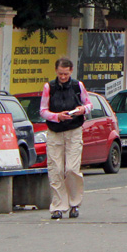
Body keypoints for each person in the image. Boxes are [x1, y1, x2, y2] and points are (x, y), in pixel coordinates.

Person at [39, 57, 92, 220]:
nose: (63, 77)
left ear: (71, 71)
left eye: (66, 74)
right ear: (56, 71)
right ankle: (58, 206)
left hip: (74, 131)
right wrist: (57, 116)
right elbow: (42, 110)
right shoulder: (49, 87)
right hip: (55, 131)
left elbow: (89, 104)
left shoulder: (78, 86)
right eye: (60, 74)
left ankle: (74, 203)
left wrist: (81, 109)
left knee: (71, 169)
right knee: (56, 169)